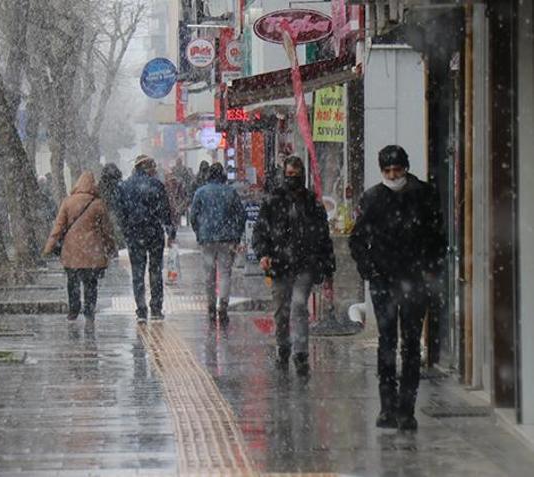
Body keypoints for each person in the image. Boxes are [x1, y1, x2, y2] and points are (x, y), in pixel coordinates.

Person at [349, 145, 445, 431]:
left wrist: (429, 270)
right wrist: (370, 270)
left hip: (415, 280)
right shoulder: (373, 198)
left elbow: (438, 238)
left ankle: (407, 409)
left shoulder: (424, 196)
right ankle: (387, 407)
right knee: (387, 342)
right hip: (384, 280)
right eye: (388, 171)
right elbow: (357, 240)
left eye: (397, 170)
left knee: (411, 344)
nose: (393, 175)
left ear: (406, 167)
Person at [252, 156, 335, 377]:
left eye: (296, 176)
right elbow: (260, 231)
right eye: (288, 175)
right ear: (283, 175)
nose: (292, 180)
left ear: (302, 175)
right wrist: (263, 253)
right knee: (281, 311)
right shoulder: (273, 201)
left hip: (305, 264)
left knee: (299, 305)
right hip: (279, 264)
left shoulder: (311, 202)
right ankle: (283, 347)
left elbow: (323, 235)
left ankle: (301, 353)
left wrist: (327, 265)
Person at [43, 171, 116, 321]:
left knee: (73, 281)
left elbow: (59, 227)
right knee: (91, 283)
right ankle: (89, 311)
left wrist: (49, 247)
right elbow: (106, 230)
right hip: (92, 251)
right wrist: (111, 247)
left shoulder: (68, 202)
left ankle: (73, 310)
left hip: (72, 251)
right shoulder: (98, 204)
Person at [117, 154, 176, 324]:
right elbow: (165, 210)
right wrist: (170, 231)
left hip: (134, 234)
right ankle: (156, 308)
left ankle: (141, 309)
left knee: (137, 271)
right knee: (155, 270)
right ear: (148, 168)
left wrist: (126, 229)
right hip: (154, 233)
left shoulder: (125, 186)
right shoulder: (156, 184)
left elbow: (120, 212)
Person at [189, 163, 245, 323]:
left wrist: (199, 232)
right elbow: (240, 215)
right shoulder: (231, 192)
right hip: (227, 239)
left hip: (206, 239)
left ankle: (211, 306)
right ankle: (223, 306)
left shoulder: (201, 192)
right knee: (225, 273)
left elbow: (193, 215)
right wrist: (236, 235)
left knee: (209, 275)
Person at [97, 163, 125, 252]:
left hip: (105, 211)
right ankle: (117, 246)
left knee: (107, 231)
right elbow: (122, 199)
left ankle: (110, 248)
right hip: (116, 211)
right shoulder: (120, 184)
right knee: (116, 230)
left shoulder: (101, 184)